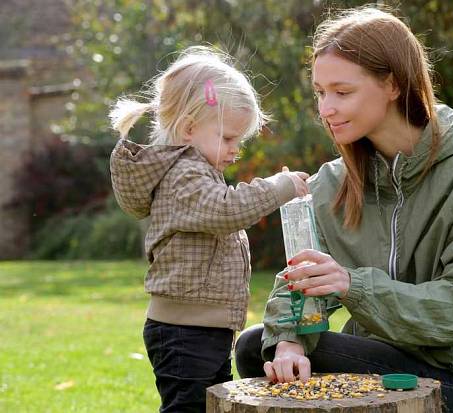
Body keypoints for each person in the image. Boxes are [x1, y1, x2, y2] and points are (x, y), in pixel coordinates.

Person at [234, 7, 453, 413]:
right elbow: (298, 281)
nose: (326, 109)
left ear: (391, 84)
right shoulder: (333, 184)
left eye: (342, 92)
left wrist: (352, 286)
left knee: (256, 348)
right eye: (320, 93)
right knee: (260, 348)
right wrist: (289, 340)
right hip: (379, 359)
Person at [108, 46, 309, 413]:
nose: (236, 151)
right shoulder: (184, 175)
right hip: (185, 332)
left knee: (213, 406)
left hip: (203, 329)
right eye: (228, 138)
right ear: (188, 129)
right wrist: (278, 187)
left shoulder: (197, 172)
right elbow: (226, 210)